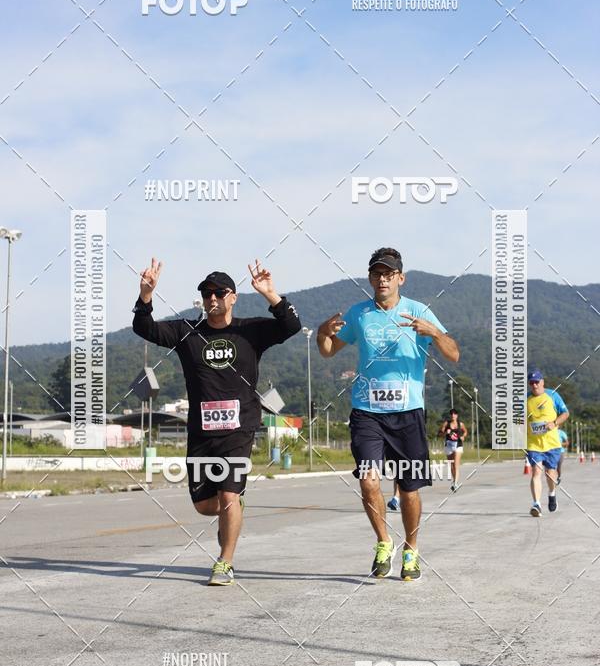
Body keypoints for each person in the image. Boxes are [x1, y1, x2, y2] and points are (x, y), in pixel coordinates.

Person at [133, 258, 301, 584]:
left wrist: (272, 295)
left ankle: (225, 561)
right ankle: (234, 505)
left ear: (232, 297)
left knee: (227, 495)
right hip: (201, 431)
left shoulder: (250, 330)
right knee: (206, 506)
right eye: (207, 294)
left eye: (219, 293)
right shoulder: (187, 332)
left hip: (240, 428)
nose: (212, 299)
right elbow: (145, 328)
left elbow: (291, 327)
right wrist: (145, 296)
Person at [317, 247, 459, 581]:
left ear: (400, 278)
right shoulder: (359, 314)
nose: (382, 279)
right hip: (367, 412)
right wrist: (323, 332)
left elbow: (453, 354)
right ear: (370, 278)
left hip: (407, 413)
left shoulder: (418, 311)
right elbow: (328, 352)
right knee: (368, 481)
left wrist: (435, 334)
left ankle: (411, 547)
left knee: (408, 489)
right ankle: (384, 542)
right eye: (376, 274)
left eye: (388, 274)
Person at [525, 368, 569, 516]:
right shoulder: (525, 399)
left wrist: (554, 423)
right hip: (533, 444)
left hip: (552, 444)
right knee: (536, 471)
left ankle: (551, 493)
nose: (534, 385)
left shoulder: (553, 395)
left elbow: (565, 413)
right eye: (531, 383)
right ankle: (536, 504)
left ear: (542, 382)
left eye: (537, 382)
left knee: (550, 473)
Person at [439, 409, 468, 492]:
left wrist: (463, 436)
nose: (453, 415)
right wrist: (446, 433)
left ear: (457, 415)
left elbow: (465, 431)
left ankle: (455, 483)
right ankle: (454, 480)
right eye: (451, 414)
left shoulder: (460, 424)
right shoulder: (446, 423)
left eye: (454, 414)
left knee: (455, 464)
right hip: (449, 446)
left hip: (458, 445)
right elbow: (440, 434)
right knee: (451, 465)